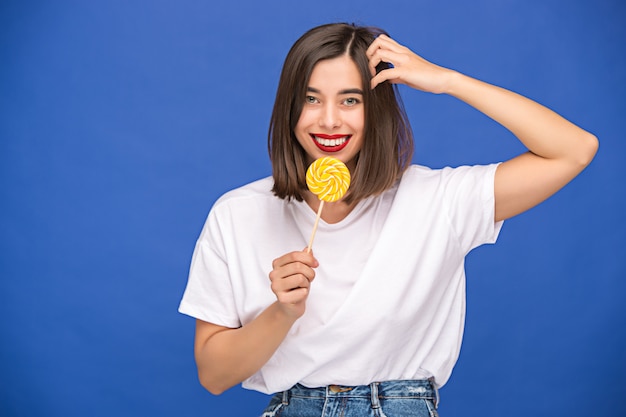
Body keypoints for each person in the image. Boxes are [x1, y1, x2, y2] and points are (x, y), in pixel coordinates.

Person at [178, 23, 598, 416]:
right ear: (289, 109)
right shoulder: (237, 212)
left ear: (375, 108)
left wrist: (448, 81)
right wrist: (283, 312)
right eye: (311, 98)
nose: (328, 119)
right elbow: (214, 376)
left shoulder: (437, 201)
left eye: (350, 100)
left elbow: (574, 149)